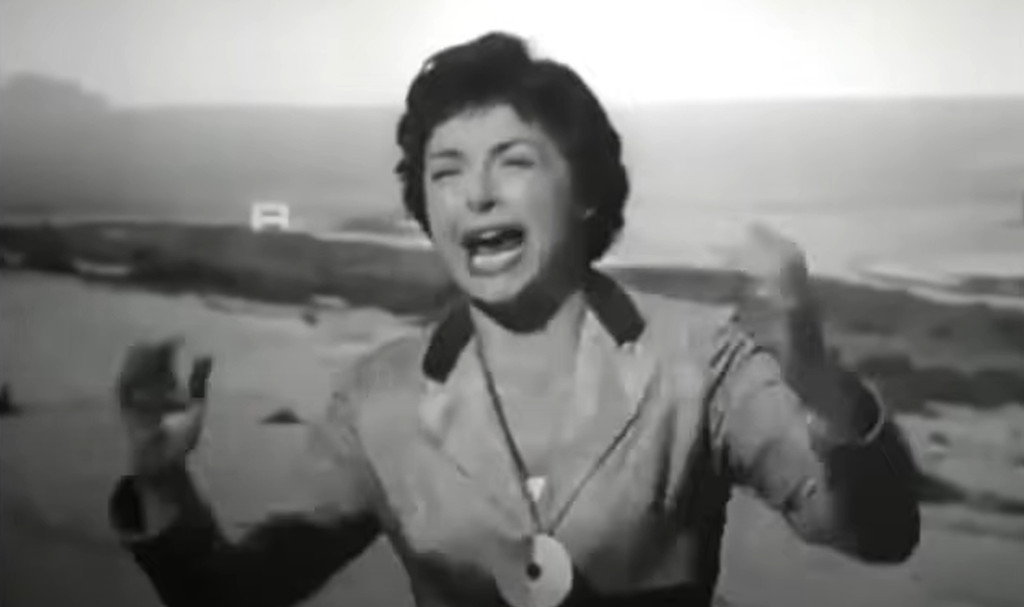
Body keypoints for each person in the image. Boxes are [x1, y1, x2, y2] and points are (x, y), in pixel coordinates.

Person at [110, 32, 920, 607]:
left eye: (514, 161)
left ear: (587, 190)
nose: (476, 194)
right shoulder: (378, 399)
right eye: (446, 171)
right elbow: (234, 593)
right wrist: (161, 478)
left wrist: (817, 381)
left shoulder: (701, 361)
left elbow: (878, 532)